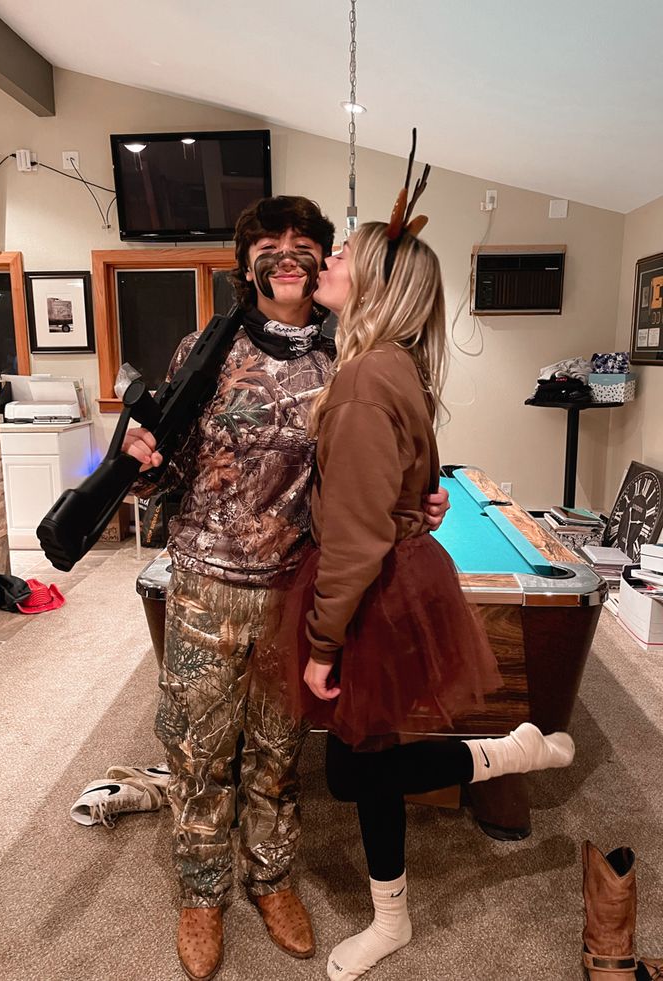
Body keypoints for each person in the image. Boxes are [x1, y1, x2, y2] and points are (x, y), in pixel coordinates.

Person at [253, 155, 577, 981]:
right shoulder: (393, 362)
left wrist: (321, 644)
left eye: (339, 257)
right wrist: (417, 502)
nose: (325, 262)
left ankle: (499, 758)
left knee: (355, 764)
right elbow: (409, 475)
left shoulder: (362, 377)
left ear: (374, 284)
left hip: (369, 593)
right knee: (359, 761)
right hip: (397, 577)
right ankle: (492, 768)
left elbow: (357, 539)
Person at [112, 195, 451, 981]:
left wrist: (421, 497)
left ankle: (270, 878)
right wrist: (139, 464)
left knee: (275, 751)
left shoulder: (349, 349)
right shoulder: (206, 347)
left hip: (295, 588)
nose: (290, 254)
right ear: (248, 260)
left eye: (307, 242)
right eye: (271, 242)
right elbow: (166, 461)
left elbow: (380, 459)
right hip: (203, 583)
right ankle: (202, 892)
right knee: (197, 749)